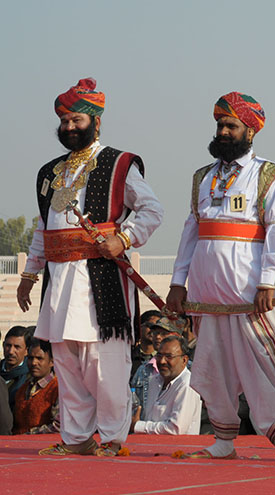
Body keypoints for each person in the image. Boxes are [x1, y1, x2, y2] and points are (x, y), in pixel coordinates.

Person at [17, 78, 163, 456]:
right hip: (60, 279)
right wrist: (30, 275)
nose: (68, 127)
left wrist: (124, 238)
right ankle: (77, 438)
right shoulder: (50, 172)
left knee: (105, 365)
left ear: (96, 122)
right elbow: (42, 227)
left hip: (101, 278)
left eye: (76, 119)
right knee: (66, 363)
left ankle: (113, 439)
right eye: (64, 120)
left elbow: (152, 210)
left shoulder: (119, 163)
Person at [167, 91, 275, 462]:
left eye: (231, 125)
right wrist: (178, 283)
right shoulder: (202, 177)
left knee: (265, 366)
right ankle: (223, 439)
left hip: (248, 292)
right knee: (212, 367)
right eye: (220, 125)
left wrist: (267, 282)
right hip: (207, 292)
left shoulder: (269, 174)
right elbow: (190, 233)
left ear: (251, 131)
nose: (224, 131)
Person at [131, 336, 202, 435]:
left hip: (177, 449)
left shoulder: (187, 385)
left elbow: (176, 429)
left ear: (184, 360)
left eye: (169, 356)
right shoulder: (154, 380)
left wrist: (138, 426)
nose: (162, 361)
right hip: (148, 446)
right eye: (159, 355)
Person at [13, 339, 59, 434]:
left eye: (39, 358)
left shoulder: (57, 388)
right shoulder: (23, 389)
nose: (34, 363)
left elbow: (58, 427)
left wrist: (28, 435)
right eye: (30, 358)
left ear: (52, 361)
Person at [2, 326, 32, 409]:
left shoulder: (30, 377)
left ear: (26, 350)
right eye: (8, 345)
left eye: (17, 347)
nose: (11, 351)